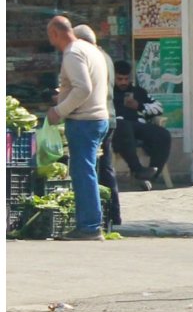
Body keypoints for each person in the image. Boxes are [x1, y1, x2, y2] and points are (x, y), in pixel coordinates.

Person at [45, 15, 109, 241]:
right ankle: (90, 223)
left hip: (85, 121)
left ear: (55, 33)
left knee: (83, 173)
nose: (51, 42)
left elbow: (83, 89)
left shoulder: (72, 53)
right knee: (87, 171)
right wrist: (63, 93)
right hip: (98, 118)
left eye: (50, 37)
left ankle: (90, 227)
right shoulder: (90, 49)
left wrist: (58, 110)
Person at [72, 25, 121, 229]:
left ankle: (101, 215)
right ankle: (113, 213)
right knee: (105, 168)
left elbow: (85, 88)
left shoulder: (91, 57)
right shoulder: (105, 56)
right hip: (108, 117)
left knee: (92, 168)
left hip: (97, 117)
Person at [114, 60, 172, 187]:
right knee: (123, 125)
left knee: (163, 135)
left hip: (138, 124)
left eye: (126, 79)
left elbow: (159, 108)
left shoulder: (139, 92)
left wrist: (139, 106)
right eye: (119, 79)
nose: (123, 82)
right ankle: (138, 170)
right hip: (118, 129)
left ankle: (152, 175)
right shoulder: (108, 93)